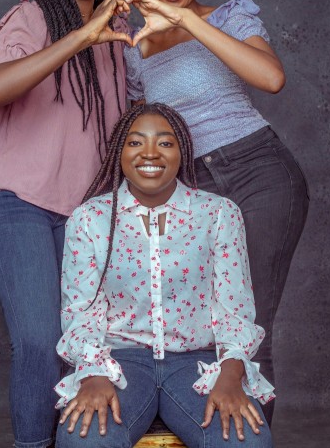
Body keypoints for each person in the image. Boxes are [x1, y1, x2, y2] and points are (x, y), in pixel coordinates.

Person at [123, 0, 310, 425]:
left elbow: (271, 78)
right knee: (204, 325)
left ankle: (251, 439)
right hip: (196, 190)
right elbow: (144, 131)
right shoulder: (136, 46)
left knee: (247, 326)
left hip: (259, 173)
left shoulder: (232, 14)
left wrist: (185, 22)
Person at [0, 0, 131, 448]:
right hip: (17, 200)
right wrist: (79, 40)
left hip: (83, 211)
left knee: (81, 343)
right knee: (39, 341)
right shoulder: (32, 17)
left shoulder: (117, 24)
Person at [54, 103, 275, 448]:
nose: (150, 153)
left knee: (247, 441)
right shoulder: (91, 218)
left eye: (166, 143)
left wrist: (232, 374)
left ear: (182, 151)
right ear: (119, 152)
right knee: (82, 439)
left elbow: (235, 308)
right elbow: (81, 310)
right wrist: (93, 372)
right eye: (136, 142)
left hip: (196, 362)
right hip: (120, 361)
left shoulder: (217, 214)